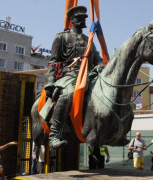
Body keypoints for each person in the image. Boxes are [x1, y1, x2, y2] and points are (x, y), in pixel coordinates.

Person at [44, 6, 103, 149]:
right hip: (70, 75)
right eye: (80, 18)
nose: (83, 20)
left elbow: (97, 58)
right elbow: (53, 61)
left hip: (89, 75)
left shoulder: (88, 40)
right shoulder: (62, 37)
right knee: (68, 93)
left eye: (84, 18)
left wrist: (102, 65)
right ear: (72, 20)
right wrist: (50, 81)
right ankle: (54, 134)